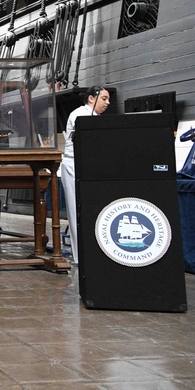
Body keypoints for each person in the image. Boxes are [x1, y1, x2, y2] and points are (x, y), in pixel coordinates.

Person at [59, 85, 110, 264]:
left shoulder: (96, 117)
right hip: (74, 165)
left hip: (89, 166)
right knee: (75, 210)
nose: (107, 103)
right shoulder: (80, 114)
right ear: (91, 98)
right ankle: (80, 255)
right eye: (104, 99)